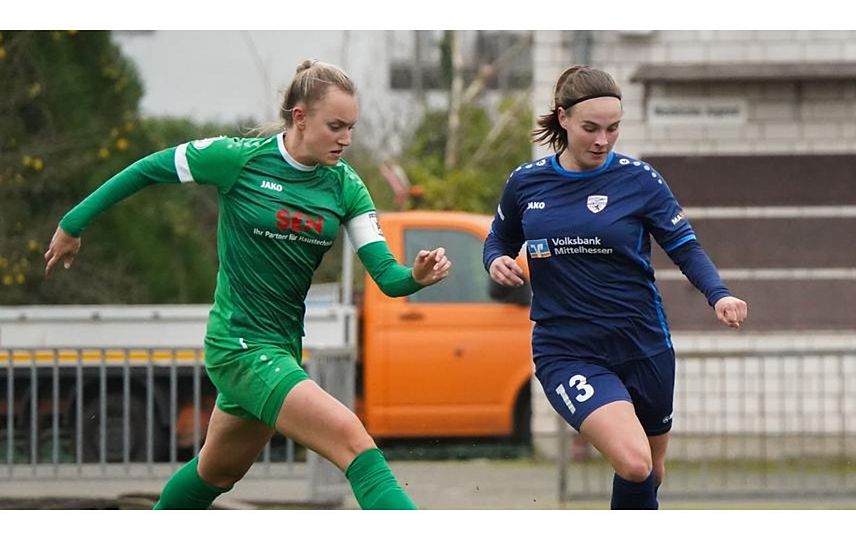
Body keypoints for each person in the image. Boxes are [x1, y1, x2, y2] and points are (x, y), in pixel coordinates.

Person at [44, 60, 451, 510]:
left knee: (215, 472)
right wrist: (72, 223)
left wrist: (415, 276)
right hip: (239, 346)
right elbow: (148, 169)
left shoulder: (346, 188)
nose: (346, 139)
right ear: (300, 117)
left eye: (351, 127)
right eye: (336, 126)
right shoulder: (239, 159)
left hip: (279, 349)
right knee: (354, 443)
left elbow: (388, 278)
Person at [482, 65, 747, 510]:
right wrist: (497, 263)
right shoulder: (526, 183)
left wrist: (718, 294)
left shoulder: (639, 181)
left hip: (643, 345)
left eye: (613, 128)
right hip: (568, 350)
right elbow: (498, 239)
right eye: (591, 128)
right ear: (563, 118)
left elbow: (684, 247)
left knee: (651, 471)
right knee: (633, 461)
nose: (602, 140)